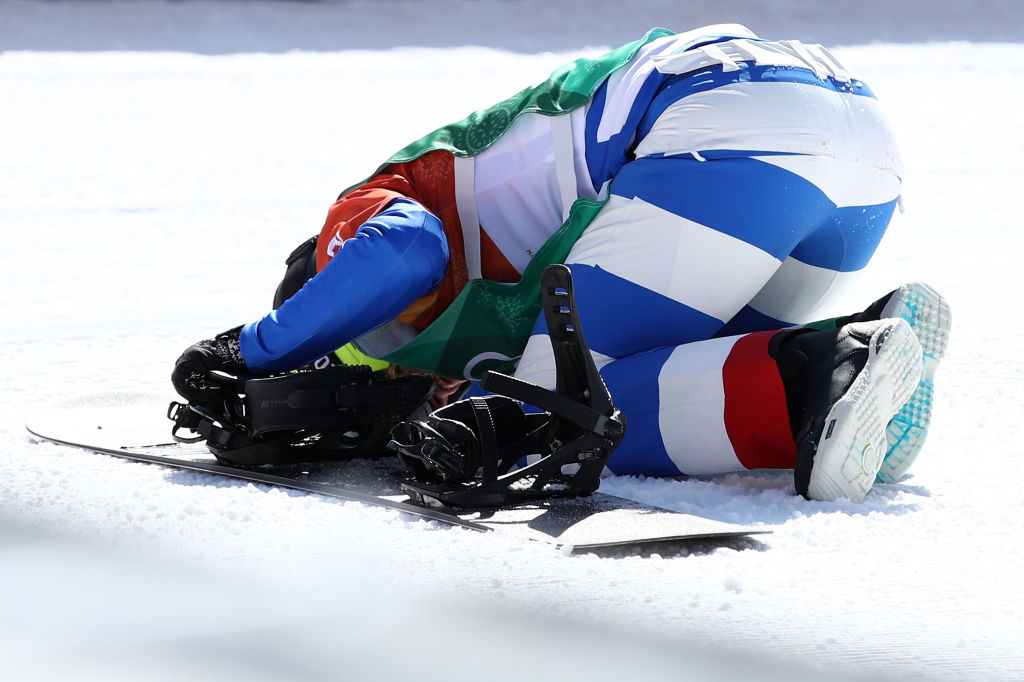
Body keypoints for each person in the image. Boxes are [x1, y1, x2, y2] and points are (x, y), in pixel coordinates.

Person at [172, 24, 950, 503]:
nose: (399, 369)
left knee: (557, 408)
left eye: (374, 345)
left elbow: (399, 253)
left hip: (725, 127)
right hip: (860, 151)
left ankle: (827, 366)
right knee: (664, 378)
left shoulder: (371, 207)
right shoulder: (482, 270)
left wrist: (250, 351)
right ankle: (836, 374)